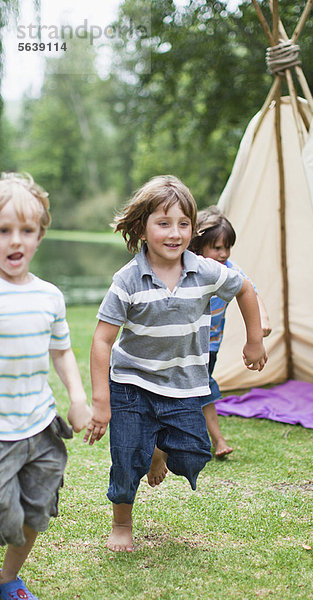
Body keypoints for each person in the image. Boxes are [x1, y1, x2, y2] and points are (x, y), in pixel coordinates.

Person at [83, 175, 267, 552]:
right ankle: (122, 522)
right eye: (163, 223)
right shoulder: (128, 279)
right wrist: (101, 399)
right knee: (126, 458)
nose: (174, 233)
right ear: (142, 228)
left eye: (183, 224)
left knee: (194, 451)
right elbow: (102, 340)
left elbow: (244, 288)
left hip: (184, 385)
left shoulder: (205, 270)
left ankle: (158, 449)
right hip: (132, 384)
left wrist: (254, 339)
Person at [0, 173, 91, 600]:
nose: (15, 241)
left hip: (39, 428)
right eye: (3, 230)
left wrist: (77, 398)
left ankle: (8, 580)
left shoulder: (50, 296)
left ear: (39, 236)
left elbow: (61, 353)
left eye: (26, 231)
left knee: (36, 510)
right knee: (5, 513)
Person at [189, 206, 271, 457]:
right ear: (199, 246)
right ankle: (218, 440)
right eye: (217, 247)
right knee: (203, 389)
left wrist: (263, 320)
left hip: (210, 346)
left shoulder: (230, 270)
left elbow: (250, 291)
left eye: (227, 247)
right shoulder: (189, 268)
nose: (224, 253)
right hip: (187, 346)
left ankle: (196, 441)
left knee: (199, 391)